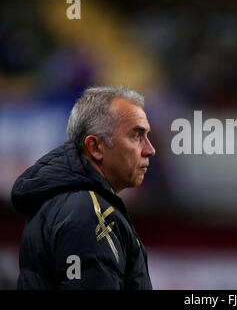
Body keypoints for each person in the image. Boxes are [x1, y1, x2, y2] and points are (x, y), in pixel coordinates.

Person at [11, 86, 156, 289]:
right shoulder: (86, 211)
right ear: (95, 147)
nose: (150, 149)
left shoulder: (67, 203)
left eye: (147, 135)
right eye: (136, 135)